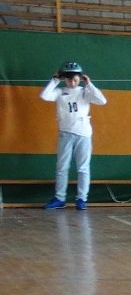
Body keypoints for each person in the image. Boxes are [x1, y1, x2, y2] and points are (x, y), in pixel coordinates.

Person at [39, 61, 107, 210]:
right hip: (65, 133)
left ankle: (82, 199)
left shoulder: (84, 92)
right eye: (69, 79)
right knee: (62, 167)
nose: (72, 82)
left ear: (80, 78)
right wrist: (55, 80)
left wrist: (89, 84)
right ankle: (60, 198)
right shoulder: (60, 92)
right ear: (65, 79)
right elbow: (44, 96)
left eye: (75, 79)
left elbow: (102, 101)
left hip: (84, 134)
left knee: (83, 168)